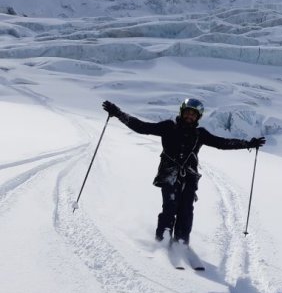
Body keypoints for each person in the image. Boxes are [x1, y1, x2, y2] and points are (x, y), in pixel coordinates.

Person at [102, 98, 265, 245]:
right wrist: (118, 113)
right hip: (169, 174)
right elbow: (141, 127)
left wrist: (247, 144)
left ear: (198, 117)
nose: (189, 116)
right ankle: (163, 239)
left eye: (193, 115)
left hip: (190, 177)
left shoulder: (199, 134)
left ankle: (181, 241)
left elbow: (221, 143)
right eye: (187, 113)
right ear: (181, 112)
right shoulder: (168, 127)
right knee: (170, 207)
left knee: (186, 210)